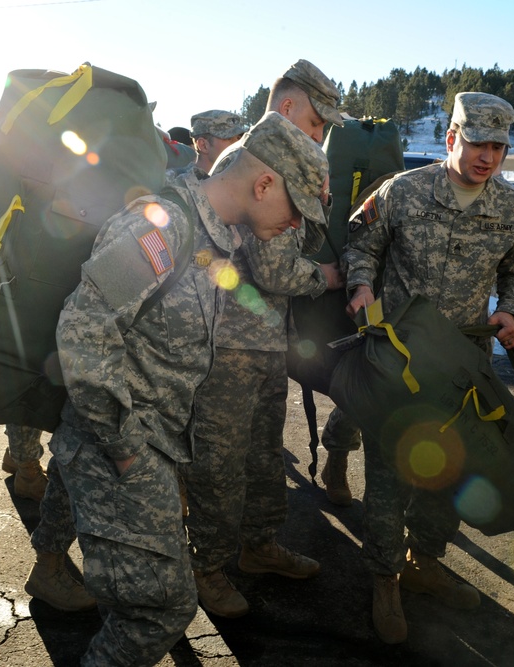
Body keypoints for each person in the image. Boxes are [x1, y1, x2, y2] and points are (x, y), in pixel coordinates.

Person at [28, 111, 328, 665]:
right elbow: (84, 330)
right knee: (158, 611)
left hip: (155, 446)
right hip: (117, 445)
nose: (294, 226)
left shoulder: (215, 231)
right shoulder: (161, 227)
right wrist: (123, 451)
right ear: (263, 184)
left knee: (151, 603)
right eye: (296, 210)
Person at [343, 92, 514, 643]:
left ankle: (423, 561)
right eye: (478, 143)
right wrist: (360, 286)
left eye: (498, 147)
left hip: (463, 370)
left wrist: (511, 309)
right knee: (389, 474)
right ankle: (385, 579)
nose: (488, 156)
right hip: (400, 362)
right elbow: (363, 243)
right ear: (452, 138)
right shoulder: (402, 192)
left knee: (451, 471)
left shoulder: (511, 208)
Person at [180, 59, 345, 619]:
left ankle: (257, 546)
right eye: (319, 124)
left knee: (261, 455)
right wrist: (324, 277)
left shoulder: (270, 159)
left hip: (262, 341)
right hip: (231, 346)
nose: (320, 136)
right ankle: (207, 566)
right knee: (220, 462)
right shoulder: (259, 168)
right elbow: (276, 269)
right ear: (288, 108)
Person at [187, 110, 246, 178]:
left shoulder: (241, 179)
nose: (238, 144)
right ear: (203, 145)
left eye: (239, 138)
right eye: (229, 139)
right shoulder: (179, 184)